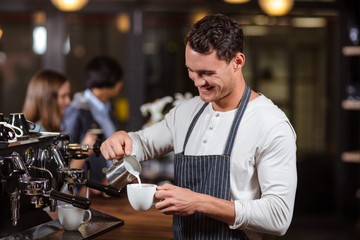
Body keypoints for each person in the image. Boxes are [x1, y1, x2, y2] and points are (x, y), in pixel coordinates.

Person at [100, 14, 297, 240]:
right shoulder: (187, 112)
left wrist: (199, 202)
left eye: (208, 73)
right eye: (191, 71)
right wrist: (122, 138)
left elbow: (278, 216)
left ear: (238, 62)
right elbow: (143, 143)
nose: (197, 82)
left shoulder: (271, 124)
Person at [61, 55, 124, 194]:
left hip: (108, 189)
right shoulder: (77, 109)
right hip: (86, 192)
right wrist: (79, 186)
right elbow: (65, 156)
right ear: (112, 81)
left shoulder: (108, 107)